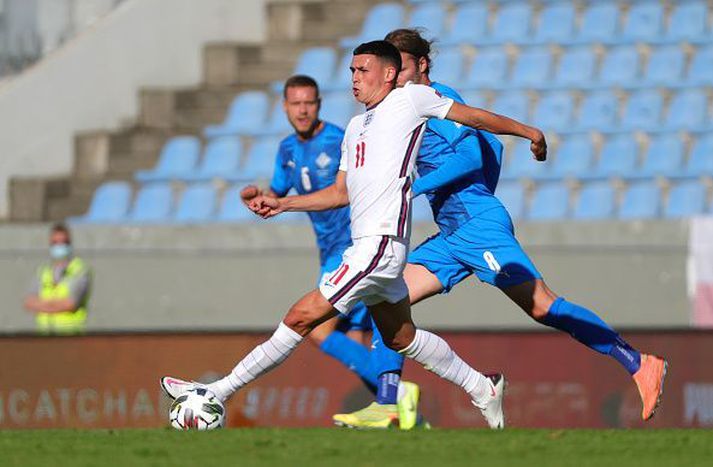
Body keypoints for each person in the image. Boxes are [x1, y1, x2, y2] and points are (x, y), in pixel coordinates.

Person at [161, 40, 546, 430]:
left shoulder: (411, 100)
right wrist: (282, 205)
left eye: (363, 70)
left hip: (379, 247)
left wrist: (528, 131)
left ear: (389, 73)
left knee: (300, 319)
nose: (354, 79)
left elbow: (474, 118)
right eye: (352, 71)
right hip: (370, 249)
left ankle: (217, 392)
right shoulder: (356, 128)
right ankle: (483, 388)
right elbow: (338, 193)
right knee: (401, 338)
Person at [334, 29, 667, 427]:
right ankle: (389, 403)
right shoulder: (401, 109)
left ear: (421, 65)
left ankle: (639, 363)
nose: (394, 77)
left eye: (400, 67)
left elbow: (472, 156)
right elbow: (486, 150)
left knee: (542, 305)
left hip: (478, 226)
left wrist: (411, 186)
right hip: (451, 236)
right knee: (386, 298)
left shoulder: (437, 97)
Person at [239, 74, 421, 430]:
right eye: (296, 103)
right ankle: (401, 418)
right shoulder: (287, 150)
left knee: (319, 331)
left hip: (354, 247)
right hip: (328, 252)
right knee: (354, 341)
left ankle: (399, 394)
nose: (303, 110)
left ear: (319, 104)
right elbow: (277, 192)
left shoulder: (341, 139)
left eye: (309, 102)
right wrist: (260, 198)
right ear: (285, 107)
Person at [23, 222, 92, 335]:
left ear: (69, 244)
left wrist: (43, 306)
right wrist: (56, 305)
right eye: (55, 243)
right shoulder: (44, 272)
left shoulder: (79, 270)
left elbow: (70, 304)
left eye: (63, 242)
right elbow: (29, 302)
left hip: (70, 336)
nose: (59, 247)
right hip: (45, 337)